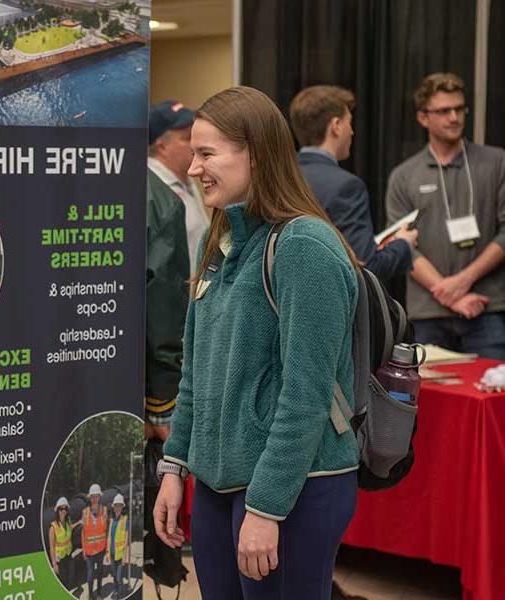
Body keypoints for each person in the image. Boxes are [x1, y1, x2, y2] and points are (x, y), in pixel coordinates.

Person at [153, 87, 361, 600]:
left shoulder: (305, 247)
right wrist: (175, 467)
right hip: (219, 485)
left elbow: (305, 396)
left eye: (208, 153)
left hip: (295, 487)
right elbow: (195, 371)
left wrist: (267, 507)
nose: (194, 167)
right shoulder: (216, 239)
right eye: (193, 152)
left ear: (257, 153)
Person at [386, 73, 505, 358]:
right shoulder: (404, 176)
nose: (454, 117)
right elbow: (400, 245)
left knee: (493, 399)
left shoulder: (496, 162)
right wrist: (449, 294)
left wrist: (462, 281)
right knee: (432, 401)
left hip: (487, 308)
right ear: (423, 118)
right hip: (428, 313)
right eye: (443, 111)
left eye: (459, 109)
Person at [290, 85, 418, 282]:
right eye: (350, 122)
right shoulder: (346, 187)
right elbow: (365, 269)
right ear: (336, 126)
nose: (352, 132)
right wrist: (402, 244)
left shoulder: (281, 178)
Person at [146, 100, 208, 441]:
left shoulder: (189, 185)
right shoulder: (154, 194)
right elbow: (160, 288)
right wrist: (161, 396)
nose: (194, 145)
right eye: (186, 137)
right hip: (170, 334)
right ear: (162, 144)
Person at [82, 484, 108, 599]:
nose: (95, 498)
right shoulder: (85, 512)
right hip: (89, 550)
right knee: (90, 574)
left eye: (96, 496)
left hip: (101, 548)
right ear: (90, 498)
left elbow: (106, 530)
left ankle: (99, 593)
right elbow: (83, 532)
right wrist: (83, 549)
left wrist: (107, 547)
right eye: (93, 496)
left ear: (99, 496)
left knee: (100, 572)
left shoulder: (104, 510)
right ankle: (91, 593)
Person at [105, 494, 130, 598]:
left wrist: (125, 556)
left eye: (120, 506)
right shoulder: (111, 520)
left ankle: (119, 595)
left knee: (119, 578)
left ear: (122, 507)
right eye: (116, 505)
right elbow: (109, 538)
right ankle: (115, 592)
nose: (117, 508)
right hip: (111, 554)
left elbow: (126, 540)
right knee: (115, 576)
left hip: (120, 556)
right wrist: (107, 553)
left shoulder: (125, 520)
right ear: (113, 507)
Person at [49, 497, 76, 589]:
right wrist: (54, 564)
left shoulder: (68, 521)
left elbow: (70, 528)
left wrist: (79, 522)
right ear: (57, 510)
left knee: (71, 576)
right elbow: (52, 547)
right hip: (60, 559)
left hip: (69, 554)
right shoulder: (53, 527)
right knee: (63, 580)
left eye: (65, 509)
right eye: (61, 509)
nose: (63, 511)